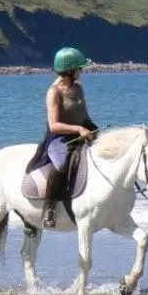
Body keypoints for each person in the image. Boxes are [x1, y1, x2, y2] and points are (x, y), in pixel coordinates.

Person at [39, 47, 99, 227]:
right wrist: (79, 129)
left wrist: (93, 129)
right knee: (62, 162)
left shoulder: (79, 87)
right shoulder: (54, 92)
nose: (82, 71)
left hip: (81, 133)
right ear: (70, 71)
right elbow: (54, 125)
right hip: (59, 138)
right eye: (79, 68)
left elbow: (84, 115)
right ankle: (48, 209)